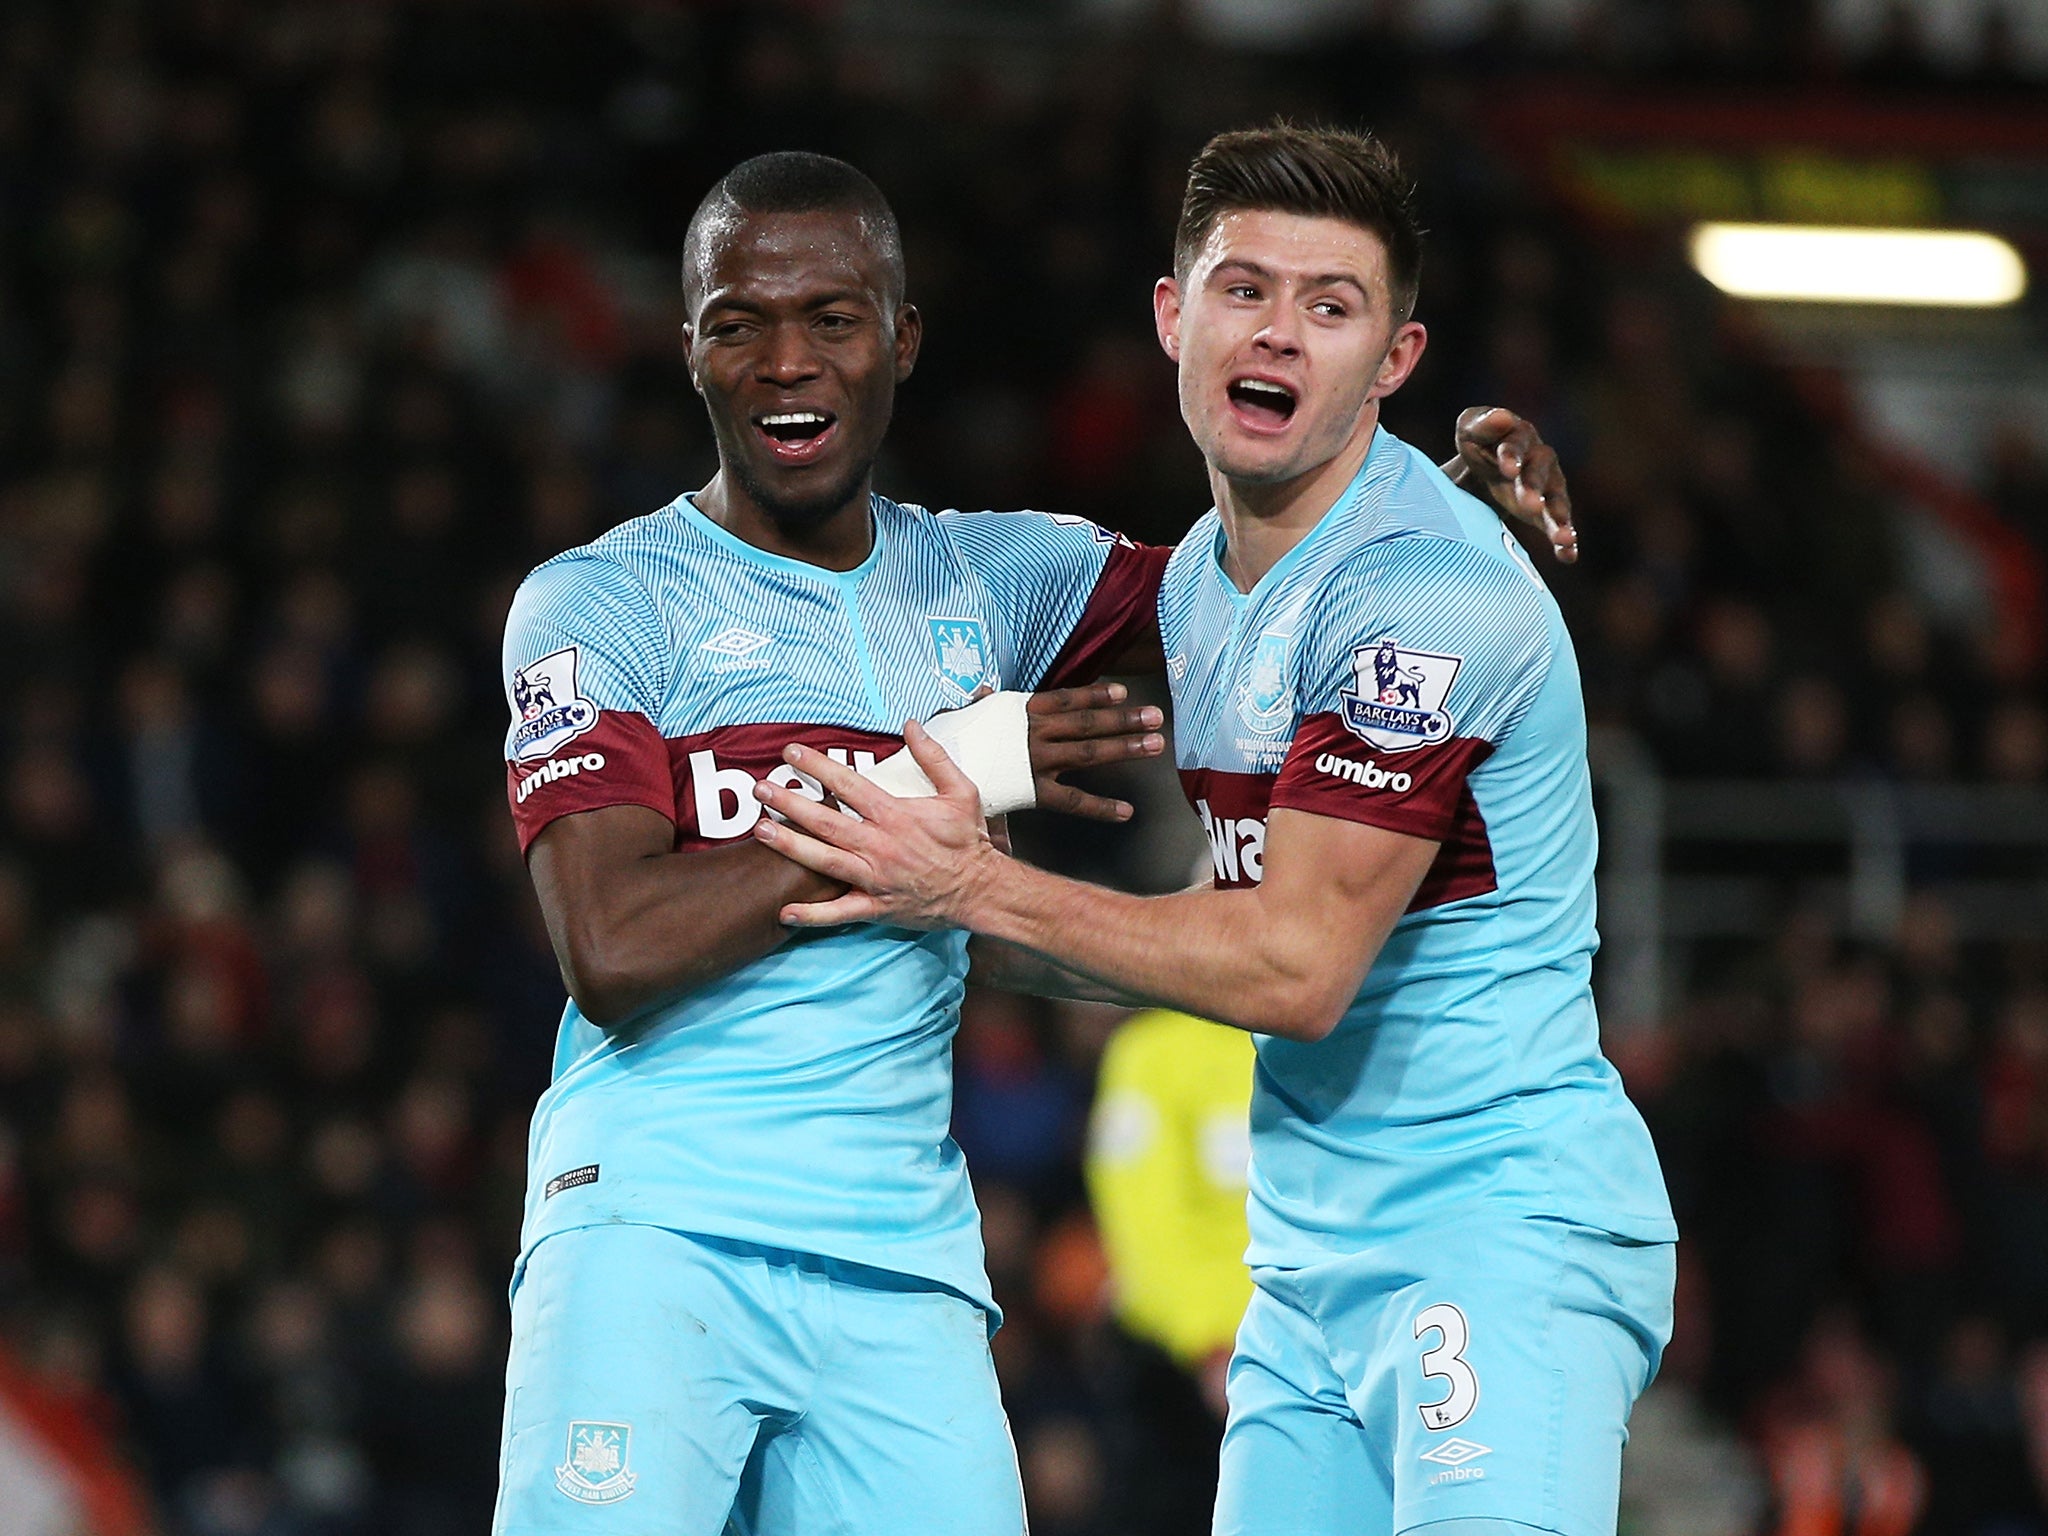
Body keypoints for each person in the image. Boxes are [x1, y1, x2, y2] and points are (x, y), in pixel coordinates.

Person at [496, 149, 1571, 1536]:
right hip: (651, 1232)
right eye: (737, 323)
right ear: (687, 347)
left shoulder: (996, 579)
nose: (786, 364)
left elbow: (1274, 583)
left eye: (832, 319)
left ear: (904, 338)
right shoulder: (599, 602)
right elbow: (613, 948)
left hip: (900, 1263)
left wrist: (1428, 505)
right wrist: (955, 765)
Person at [753, 124, 1676, 1536]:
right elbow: (1176, 948)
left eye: (1334, 307)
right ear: (1174, 317)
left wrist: (974, 891)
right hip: (1306, 1267)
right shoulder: (1191, 583)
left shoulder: (1428, 600)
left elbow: (1294, 969)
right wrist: (934, 914)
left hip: (1496, 1233)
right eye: (1247, 290)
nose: (1283, 336)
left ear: (1397, 359)